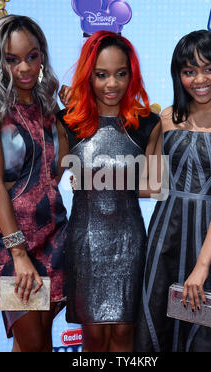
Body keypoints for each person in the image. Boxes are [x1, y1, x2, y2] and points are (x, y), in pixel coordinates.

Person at [134, 30, 211, 352]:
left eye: (208, 69)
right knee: (156, 332)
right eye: (189, 71)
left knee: (205, 339)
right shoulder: (167, 117)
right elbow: (152, 184)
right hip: (165, 239)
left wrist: (202, 266)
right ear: (179, 75)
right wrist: (94, 182)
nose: (199, 79)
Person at [0, 15, 68, 352]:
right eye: (12, 59)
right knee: (32, 342)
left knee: (36, 344)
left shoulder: (46, 105)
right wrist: (19, 254)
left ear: (42, 56)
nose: (25, 68)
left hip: (54, 235)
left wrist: (70, 103)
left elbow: (55, 171)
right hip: (12, 244)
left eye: (32, 56)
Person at [57, 30, 161, 352]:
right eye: (101, 75)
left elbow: (157, 186)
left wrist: (102, 178)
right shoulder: (67, 123)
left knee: (123, 338)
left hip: (128, 242)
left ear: (132, 75)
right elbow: (44, 180)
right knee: (94, 339)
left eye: (120, 74)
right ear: (88, 77)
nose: (111, 85)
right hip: (85, 242)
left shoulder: (148, 123)